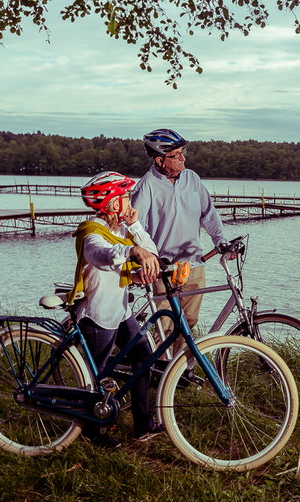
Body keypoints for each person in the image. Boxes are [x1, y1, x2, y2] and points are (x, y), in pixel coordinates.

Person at [68, 171, 163, 448]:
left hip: (120, 311)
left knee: (144, 357)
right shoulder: (91, 232)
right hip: (98, 314)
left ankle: (143, 423)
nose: (129, 200)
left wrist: (135, 228)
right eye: (124, 197)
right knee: (93, 375)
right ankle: (91, 432)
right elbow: (101, 255)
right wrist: (130, 253)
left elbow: (151, 251)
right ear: (110, 203)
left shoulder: (120, 229)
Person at [131, 128, 230, 351]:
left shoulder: (192, 179)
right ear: (159, 160)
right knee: (163, 327)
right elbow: (136, 227)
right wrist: (147, 257)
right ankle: (157, 372)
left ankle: (181, 372)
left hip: (193, 265)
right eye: (176, 155)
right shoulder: (146, 186)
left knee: (189, 322)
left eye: (182, 152)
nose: (183, 158)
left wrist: (220, 241)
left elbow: (209, 214)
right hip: (163, 270)